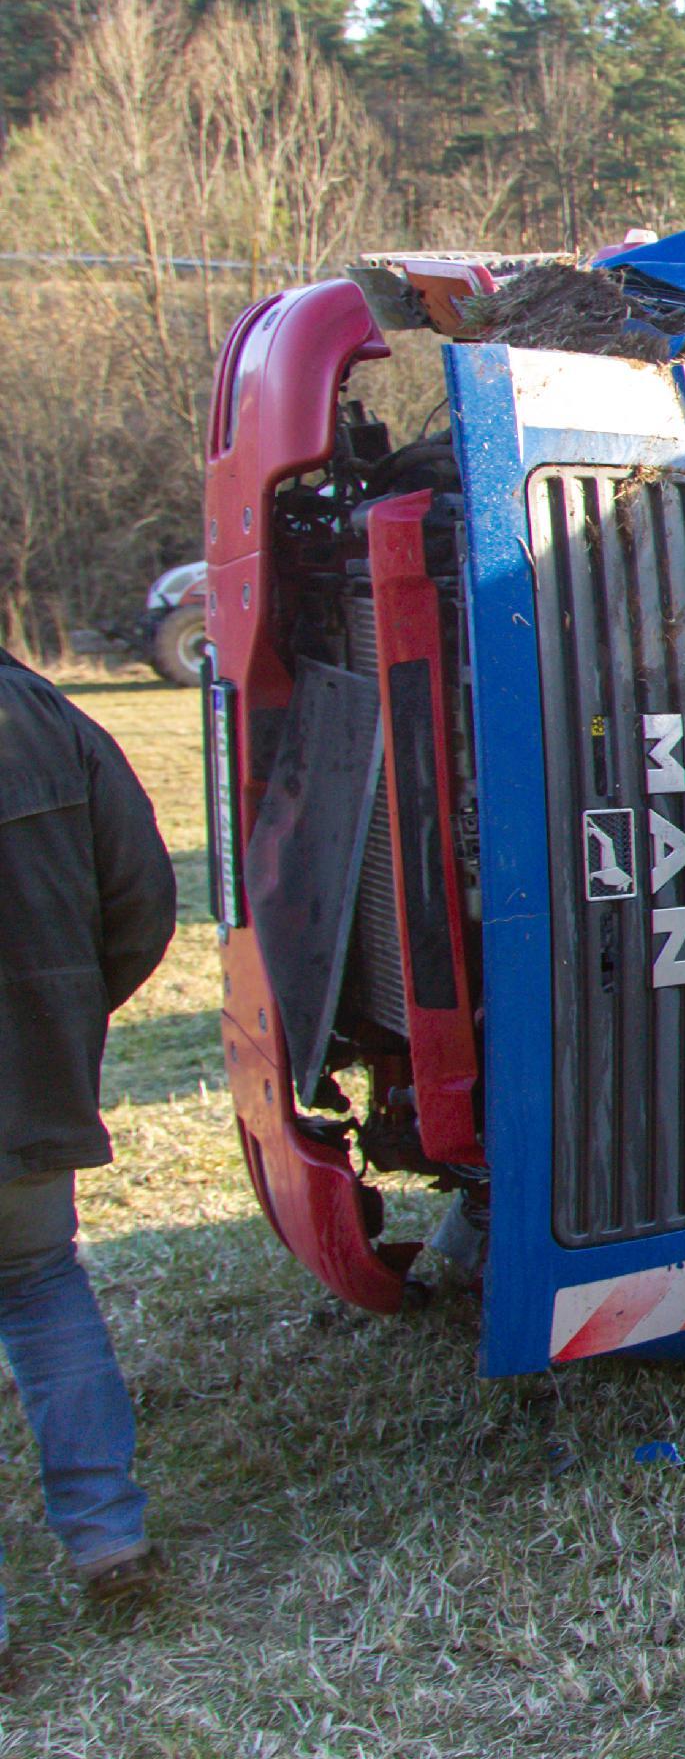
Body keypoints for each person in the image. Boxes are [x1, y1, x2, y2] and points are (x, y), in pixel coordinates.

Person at [0, 647, 179, 1653]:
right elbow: (142, 893)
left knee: (39, 1287)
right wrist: (62, 1022)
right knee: (39, 1286)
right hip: (31, 1085)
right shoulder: (47, 715)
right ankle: (109, 1538)